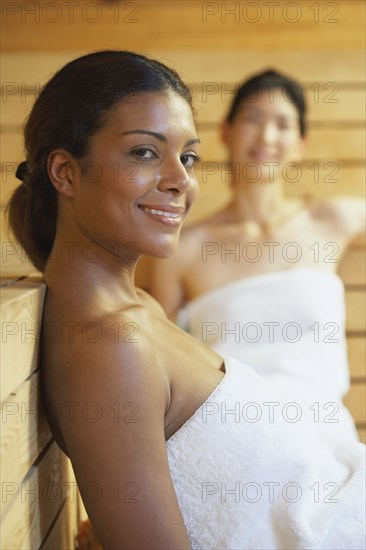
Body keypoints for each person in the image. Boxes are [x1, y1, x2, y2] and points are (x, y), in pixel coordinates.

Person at [7, 52, 365, 549]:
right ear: (65, 173)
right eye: (145, 153)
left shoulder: (135, 312)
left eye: (187, 157)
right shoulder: (110, 343)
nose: (181, 181)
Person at [147, 69, 365, 439]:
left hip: (327, 434)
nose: (266, 136)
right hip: (232, 436)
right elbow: (155, 366)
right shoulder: (183, 248)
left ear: (300, 144)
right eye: (253, 120)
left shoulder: (332, 221)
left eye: (282, 124)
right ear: (226, 132)